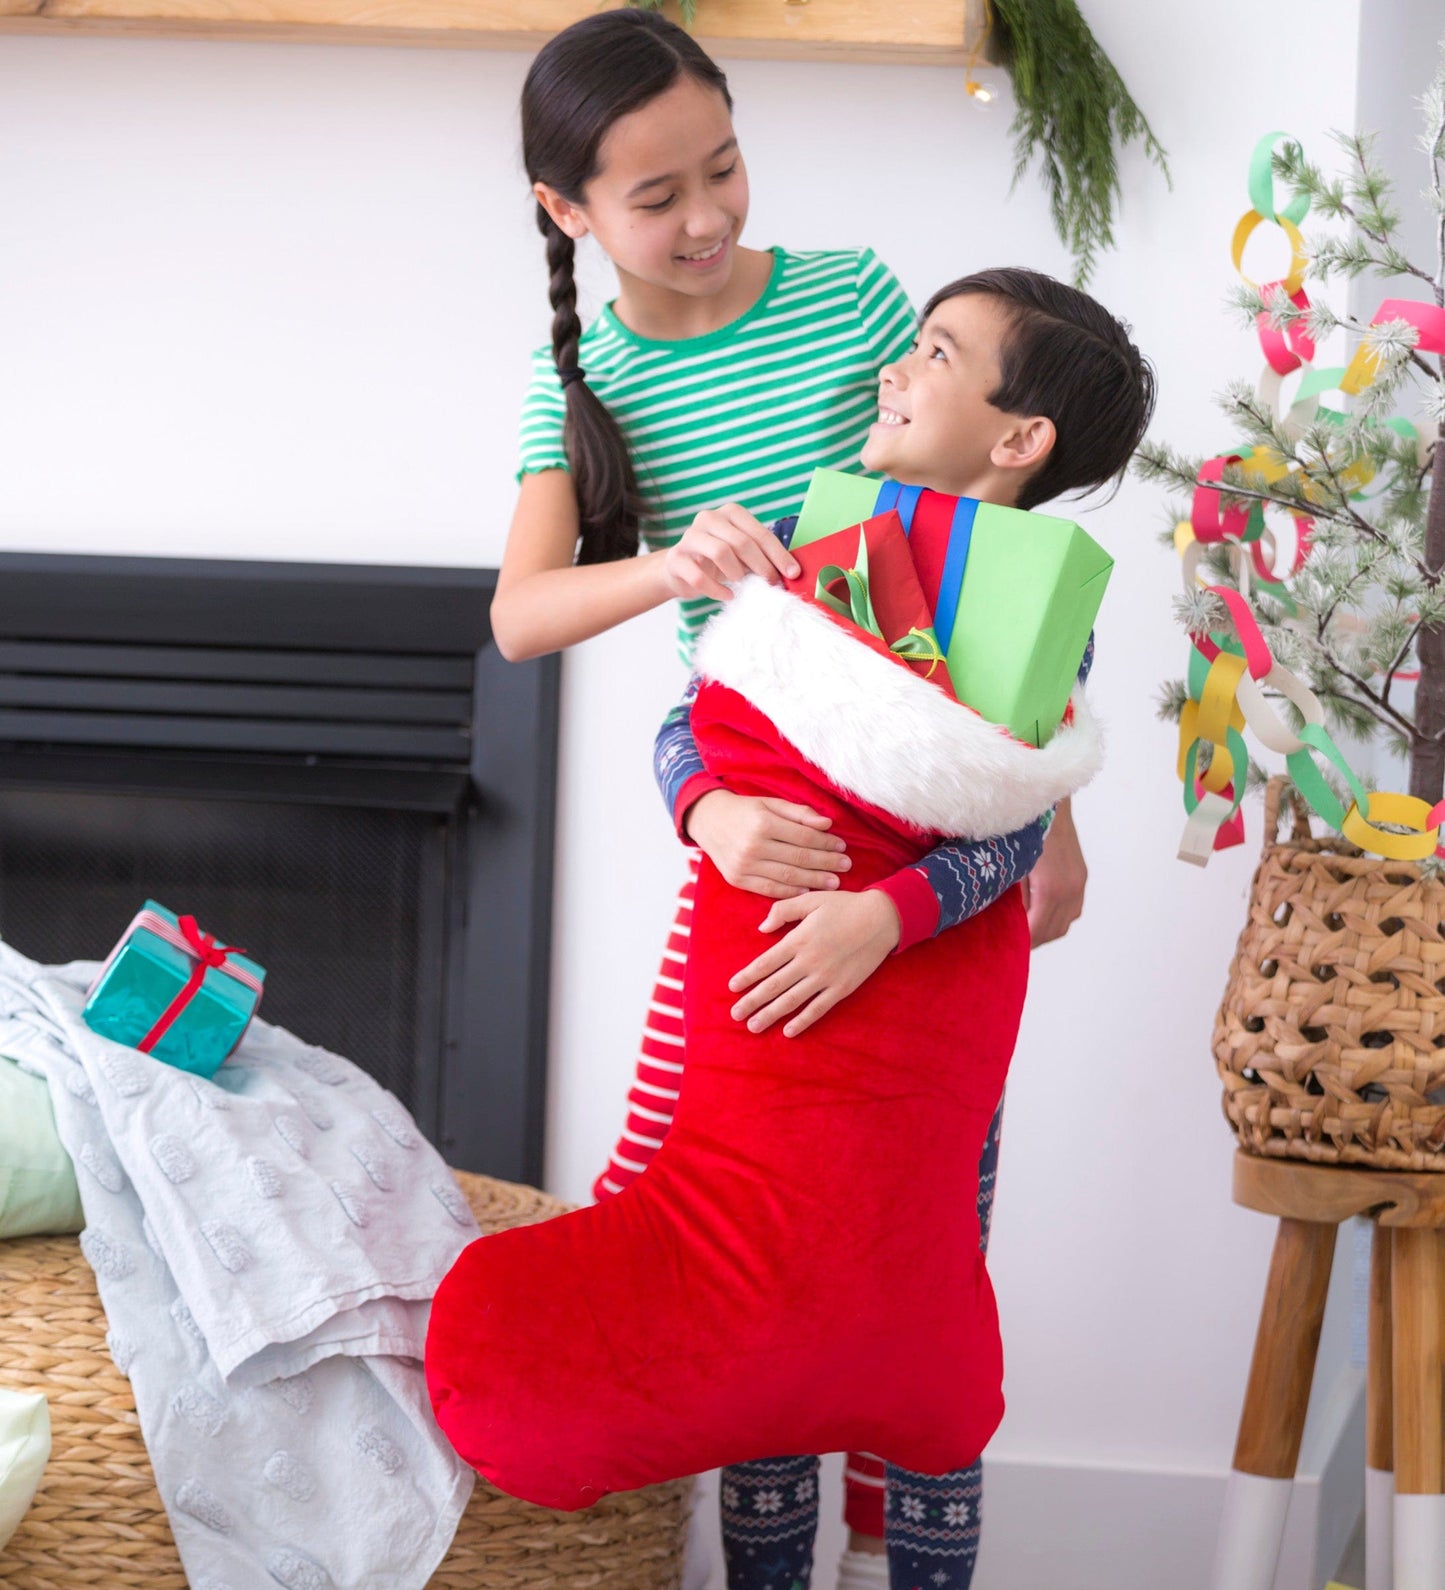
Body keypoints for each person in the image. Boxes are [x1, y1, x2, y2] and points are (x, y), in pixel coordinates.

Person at [493, 10, 1091, 1584]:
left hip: (940, 826)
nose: (705, 218)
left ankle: (897, 1544)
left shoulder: (851, 301)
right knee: (756, 1263)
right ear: (566, 212)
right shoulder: (584, 378)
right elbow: (521, 613)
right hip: (763, 815)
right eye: (654, 197)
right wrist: (670, 579)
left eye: (726, 166)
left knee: (916, 1264)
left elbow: (993, 576)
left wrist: (1054, 824)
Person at [647, 267, 1155, 1590]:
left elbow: (1015, 826)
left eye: (933, 351)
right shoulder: (811, 542)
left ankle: (897, 1568)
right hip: (771, 1018)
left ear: (1015, 439)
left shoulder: (1043, 609)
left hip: (924, 1044)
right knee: (767, 1318)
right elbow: (686, 723)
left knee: (921, 1329)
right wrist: (706, 808)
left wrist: (885, 912)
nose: (893, 368)